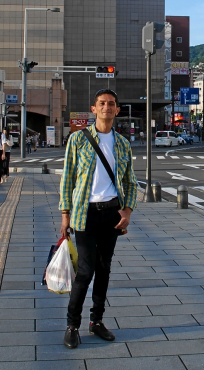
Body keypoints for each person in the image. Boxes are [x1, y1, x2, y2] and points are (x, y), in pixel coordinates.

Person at [59, 89, 138, 349]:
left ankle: (96, 321)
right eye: (102, 103)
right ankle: (72, 325)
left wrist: (127, 211)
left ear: (117, 110)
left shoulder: (122, 143)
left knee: (104, 268)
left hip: (111, 212)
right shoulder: (79, 139)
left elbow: (130, 181)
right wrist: (65, 214)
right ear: (94, 109)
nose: (106, 107)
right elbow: (68, 178)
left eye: (111, 104)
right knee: (85, 270)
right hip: (85, 213)